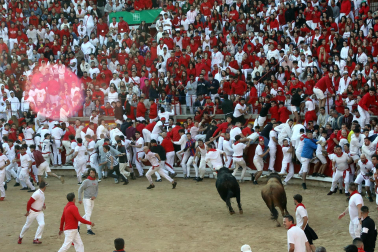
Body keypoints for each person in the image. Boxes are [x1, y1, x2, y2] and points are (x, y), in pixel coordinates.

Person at [78, 168, 98, 235]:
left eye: (93, 172)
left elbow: (96, 190)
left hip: (92, 199)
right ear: (89, 173)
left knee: (88, 214)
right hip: (86, 199)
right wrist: (79, 199)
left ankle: (78, 224)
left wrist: (95, 196)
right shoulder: (86, 181)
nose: (92, 173)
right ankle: (88, 229)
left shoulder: (96, 181)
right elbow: (80, 189)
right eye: (91, 172)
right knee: (88, 214)